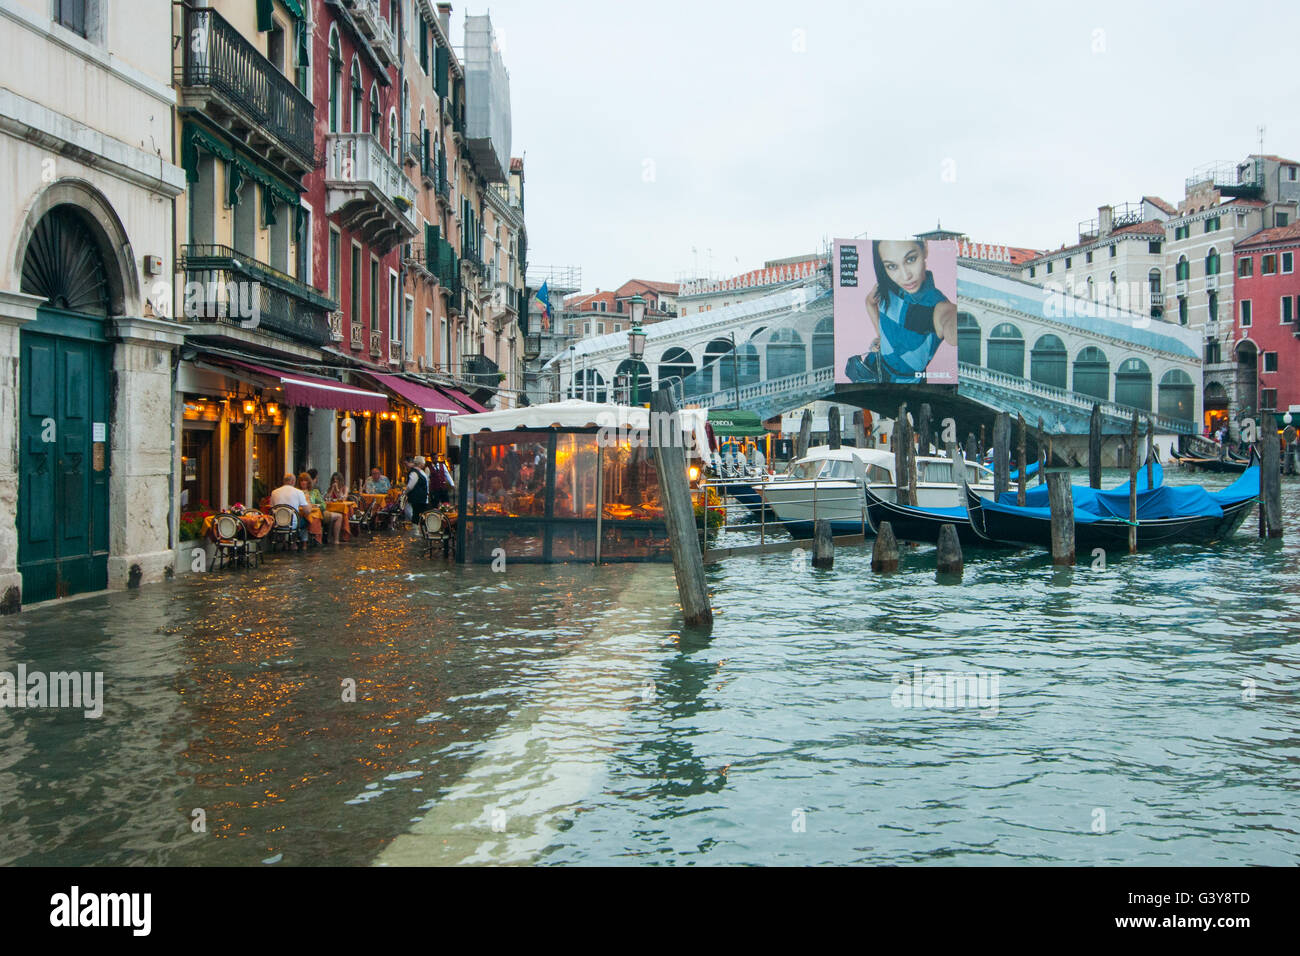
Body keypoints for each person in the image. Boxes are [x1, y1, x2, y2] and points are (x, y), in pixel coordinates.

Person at [844, 239, 957, 384]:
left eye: (911, 259)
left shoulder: (939, 307)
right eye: (892, 266)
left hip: (908, 384)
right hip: (874, 368)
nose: (905, 276)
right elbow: (870, 302)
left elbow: (952, 328)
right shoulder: (884, 287)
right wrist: (882, 337)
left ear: (925, 250)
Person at [269, 473, 313, 548]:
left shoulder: (274, 492)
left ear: (284, 481)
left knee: (287, 519)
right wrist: (308, 501)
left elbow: (271, 508)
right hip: (293, 524)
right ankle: (295, 542)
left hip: (277, 523)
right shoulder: (299, 492)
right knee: (307, 521)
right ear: (293, 481)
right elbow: (307, 511)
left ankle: (284, 542)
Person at [299, 471, 342, 545]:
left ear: (309, 482)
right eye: (301, 480)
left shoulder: (314, 492)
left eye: (305, 480)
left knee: (339, 516)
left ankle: (335, 540)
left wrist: (316, 505)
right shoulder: (297, 492)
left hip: (317, 513)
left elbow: (323, 505)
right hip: (302, 515)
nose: (303, 482)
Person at [405, 455, 430, 524]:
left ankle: (419, 527)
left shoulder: (421, 471)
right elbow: (410, 486)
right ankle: (416, 528)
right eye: (423, 463)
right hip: (416, 498)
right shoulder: (414, 473)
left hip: (422, 497)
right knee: (416, 514)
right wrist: (405, 492)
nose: (424, 464)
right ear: (419, 463)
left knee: (420, 513)